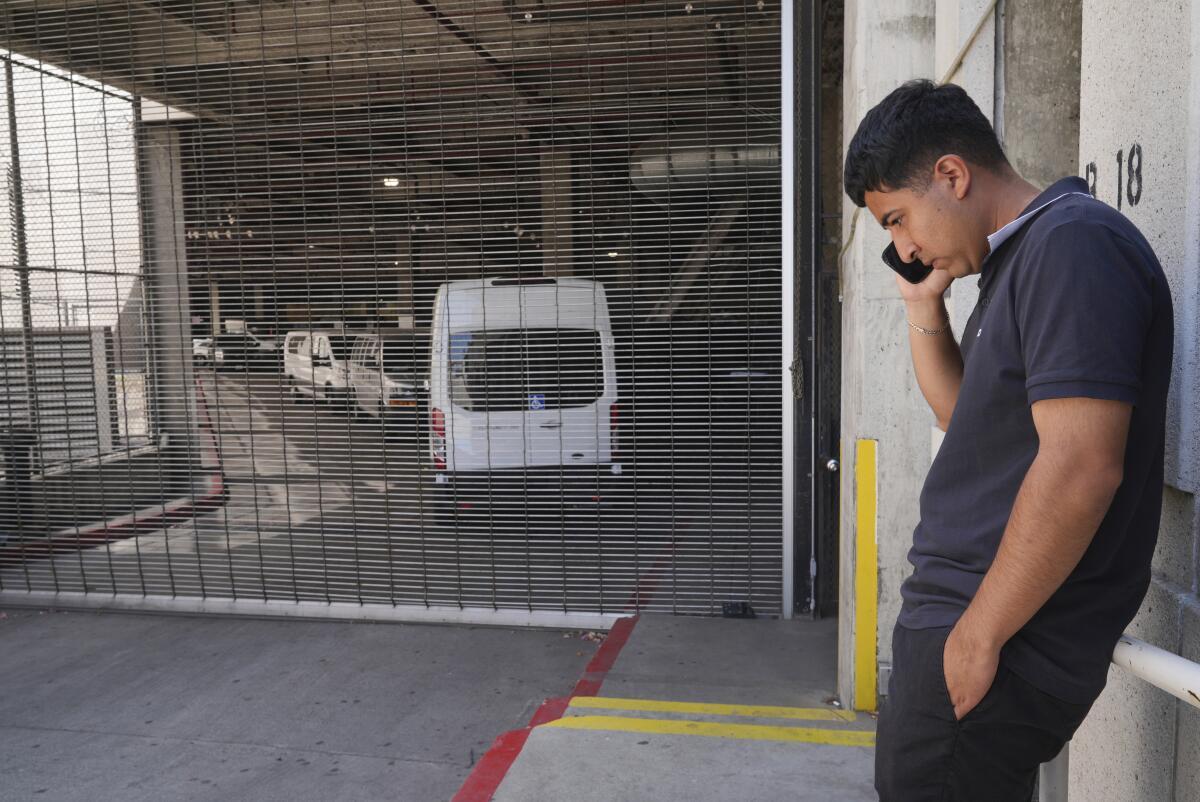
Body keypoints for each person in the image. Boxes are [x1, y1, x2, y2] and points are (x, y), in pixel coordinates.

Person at [843, 79, 1174, 801]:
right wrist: (921, 303)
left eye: (898, 219)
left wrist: (978, 635)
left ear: (952, 175)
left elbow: (1082, 464)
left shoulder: (1073, 246)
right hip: (970, 628)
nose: (903, 247)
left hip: (999, 638)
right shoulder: (1022, 260)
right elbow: (964, 422)